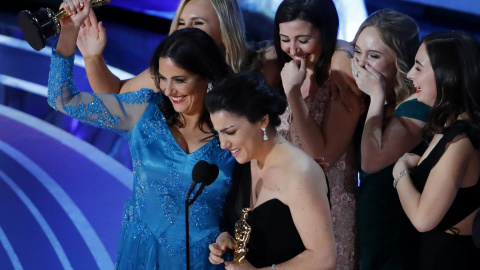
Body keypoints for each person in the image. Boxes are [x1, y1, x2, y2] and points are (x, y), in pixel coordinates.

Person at [49, 1, 236, 268]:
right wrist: (68, 31)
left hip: (205, 261)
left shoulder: (233, 129)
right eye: (163, 78)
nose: (169, 90)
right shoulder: (143, 111)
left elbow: (251, 200)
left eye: (180, 80)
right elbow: (62, 98)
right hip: (141, 257)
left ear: (207, 76)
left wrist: (229, 233)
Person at [206, 71, 336, 269]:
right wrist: (225, 237)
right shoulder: (245, 161)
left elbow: (324, 258)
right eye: (219, 134)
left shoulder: (301, 174)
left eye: (230, 132)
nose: (223, 144)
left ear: (262, 120)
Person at [273, 0, 363, 268]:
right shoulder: (285, 70)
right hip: (286, 210)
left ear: (325, 32)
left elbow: (321, 157)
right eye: (284, 39)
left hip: (328, 214)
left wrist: (292, 94)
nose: (293, 49)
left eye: (303, 39)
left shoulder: (340, 79)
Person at [350, 9, 431, 269]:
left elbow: (371, 162)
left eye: (373, 56)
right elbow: (340, 47)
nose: (361, 64)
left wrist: (375, 99)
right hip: (367, 222)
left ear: (401, 61)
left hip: (394, 228)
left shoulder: (416, 106)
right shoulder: (387, 97)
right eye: (357, 52)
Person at [393, 31, 480, 269]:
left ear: (448, 76)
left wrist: (399, 172)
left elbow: (423, 219)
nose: (410, 76)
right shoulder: (448, 126)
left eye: (419, 68)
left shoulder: (461, 140)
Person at [75, 0, 248, 94]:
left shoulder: (252, 75)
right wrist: (92, 57)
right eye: (181, 23)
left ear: (226, 30)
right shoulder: (166, 73)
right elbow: (117, 93)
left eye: (198, 23)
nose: (186, 31)